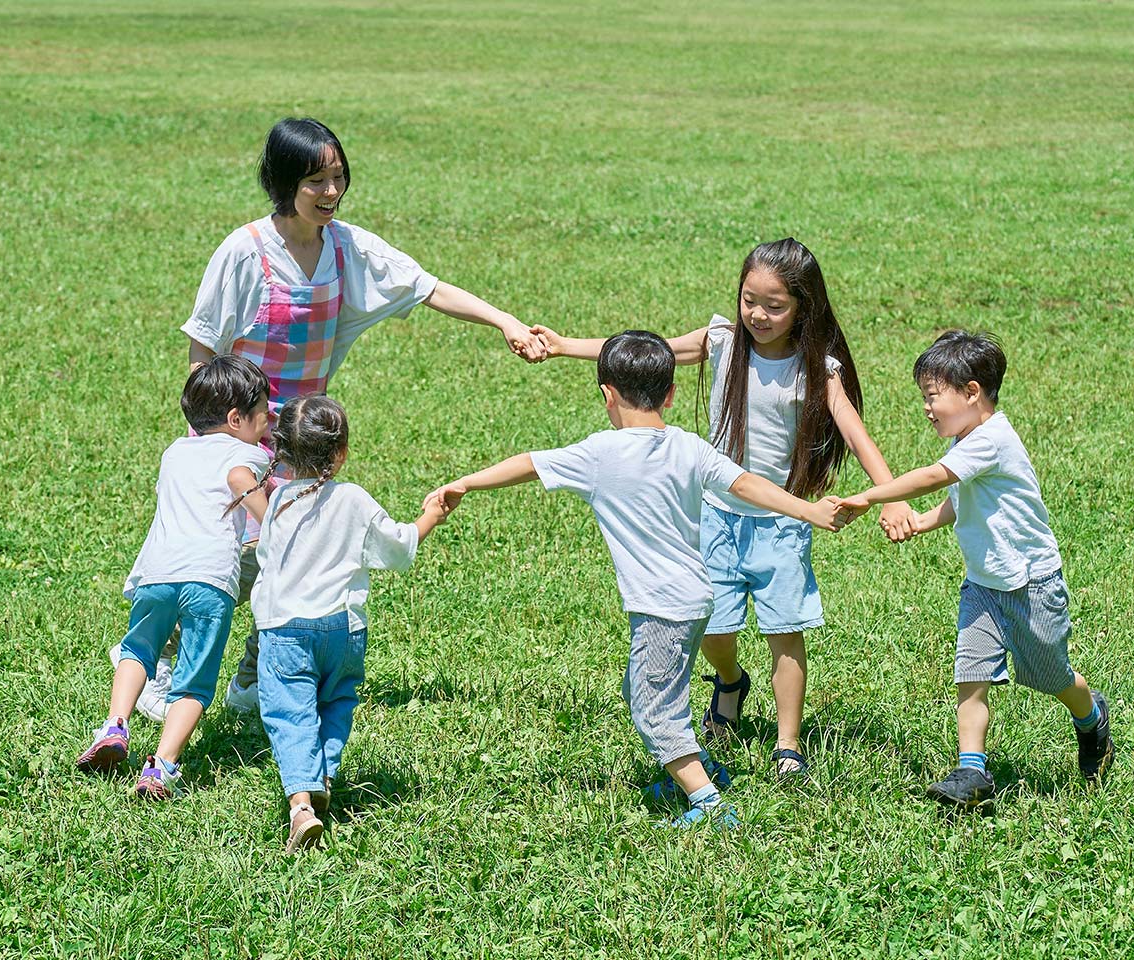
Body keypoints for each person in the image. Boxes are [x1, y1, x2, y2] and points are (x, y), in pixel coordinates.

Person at [122, 116, 547, 723]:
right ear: (284, 182)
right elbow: (203, 350)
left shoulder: (346, 248)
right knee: (216, 559)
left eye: (338, 177)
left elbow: (427, 287)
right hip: (233, 434)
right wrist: (210, 438)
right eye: (315, 181)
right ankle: (160, 661)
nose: (330, 192)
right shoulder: (245, 251)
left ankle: (252, 677)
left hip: (298, 439)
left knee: (296, 556)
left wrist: (505, 321)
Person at [425, 331, 855, 828]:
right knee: (641, 689)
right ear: (670, 394)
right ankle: (697, 766)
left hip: (660, 608)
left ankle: (708, 802)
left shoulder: (599, 453)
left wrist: (466, 482)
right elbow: (746, 483)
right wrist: (807, 510)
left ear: (607, 394)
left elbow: (529, 464)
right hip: (696, 600)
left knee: (654, 710)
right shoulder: (689, 446)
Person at [530, 239, 912, 779]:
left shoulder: (815, 369)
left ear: (803, 307)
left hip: (780, 520)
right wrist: (564, 346)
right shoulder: (724, 342)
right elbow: (647, 356)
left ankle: (788, 745)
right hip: (714, 515)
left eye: (775, 306)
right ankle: (731, 681)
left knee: (785, 633)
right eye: (749, 300)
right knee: (712, 629)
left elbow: (856, 434)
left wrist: (890, 496)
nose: (758, 315)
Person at [836, 330, 1114, 809]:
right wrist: (922, 522)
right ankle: (972, 771)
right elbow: (960, 497)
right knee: (971, 674)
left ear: (971, 392)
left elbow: (934, 477)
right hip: (983, 586)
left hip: (1030, 585)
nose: (926, 408)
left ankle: (1092, 717)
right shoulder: (966, 440)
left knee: (1050, 677)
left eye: (932, 396)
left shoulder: (992, 439)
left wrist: (870, 496)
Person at [251, 394, 452, 852]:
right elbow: (397, 549)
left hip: (284, 629)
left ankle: (301, 806)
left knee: (290, 714)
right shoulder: (353, 499)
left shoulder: (278, 499)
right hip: (343, 628)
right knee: (336, 702)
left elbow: (267, 562)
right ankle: (323, 773)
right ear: (340, 453)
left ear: (283, 451)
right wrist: (430, 517)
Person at [76, 356, 273, 798]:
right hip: (210, 580)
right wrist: (275, 526)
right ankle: (161, 766)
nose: (269, 418)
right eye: (263, 410)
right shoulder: (250, 454)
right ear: (236, 419)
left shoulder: (174, 451)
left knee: (137, 650)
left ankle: (115, 725)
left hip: (157, 574)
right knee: (194, 681)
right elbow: (240, 480)